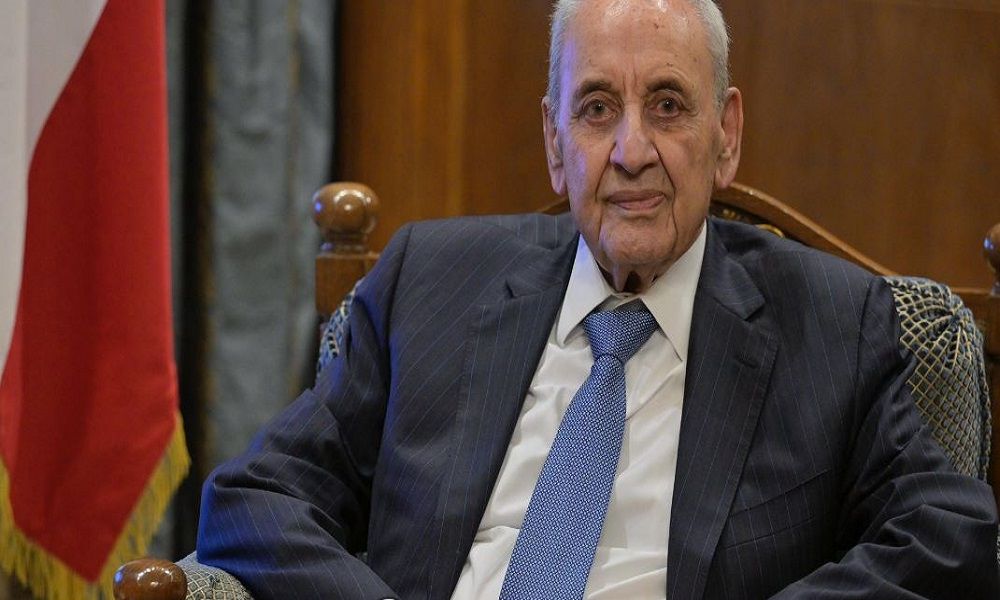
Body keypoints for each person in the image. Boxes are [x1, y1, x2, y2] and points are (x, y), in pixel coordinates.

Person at [196, 0, 1000, 598]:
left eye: (668, 106)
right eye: (597, 109)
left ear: (727, 135)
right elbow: (255, 498)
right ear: (555, 142)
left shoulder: (832, 323)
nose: (631, 151)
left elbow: (949, 535)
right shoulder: (430, 282)